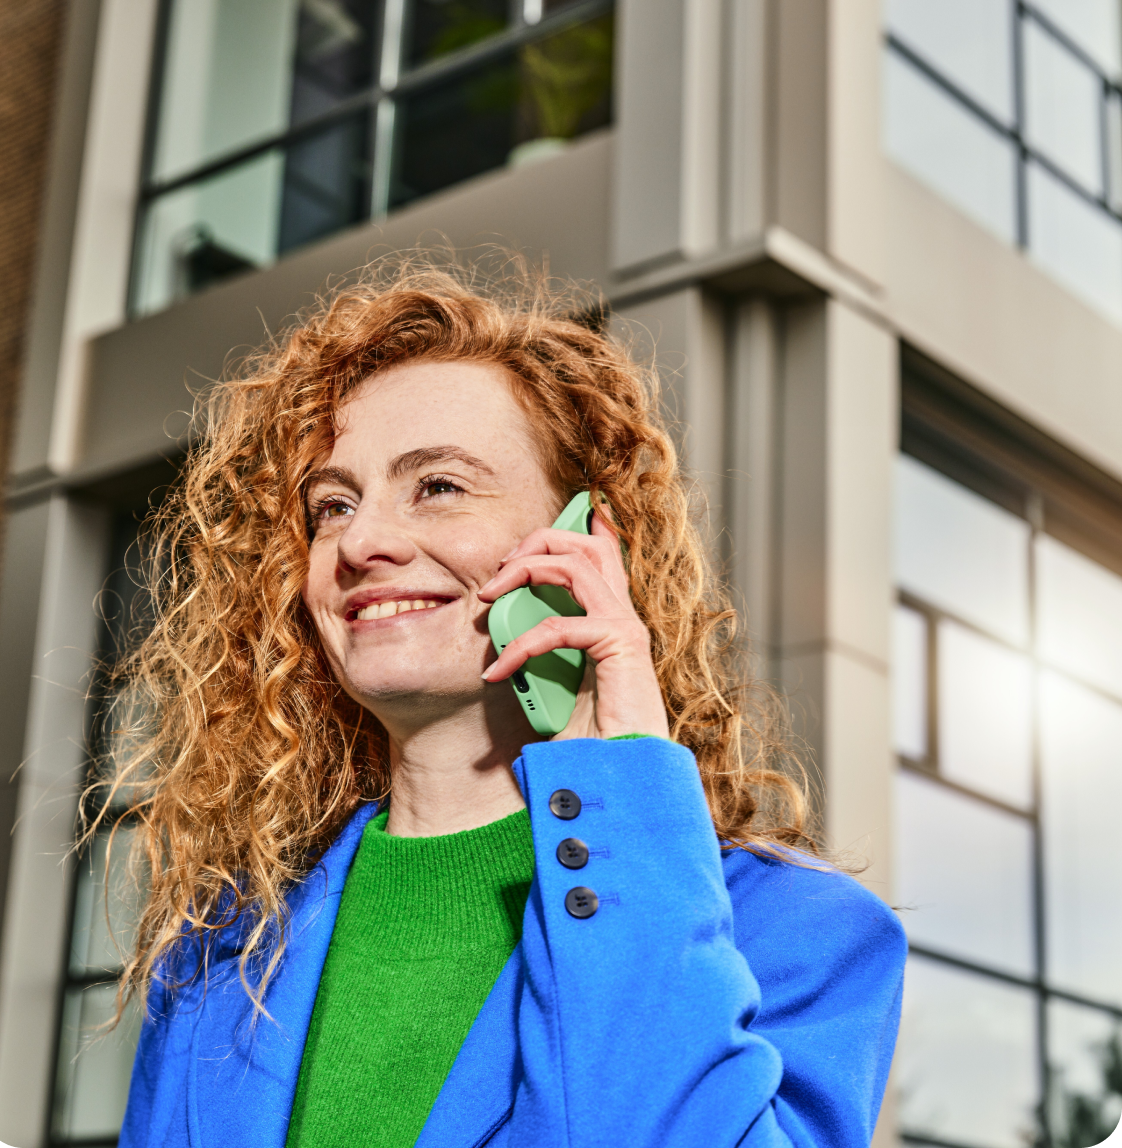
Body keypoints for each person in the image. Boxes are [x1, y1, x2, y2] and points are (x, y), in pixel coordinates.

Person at [102, 258, 906, 1148]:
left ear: (587, 543)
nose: (361, 541)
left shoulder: (803, 937)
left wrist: (622, 769)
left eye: (438, 486)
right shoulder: (222, 956)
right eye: (331, 506)